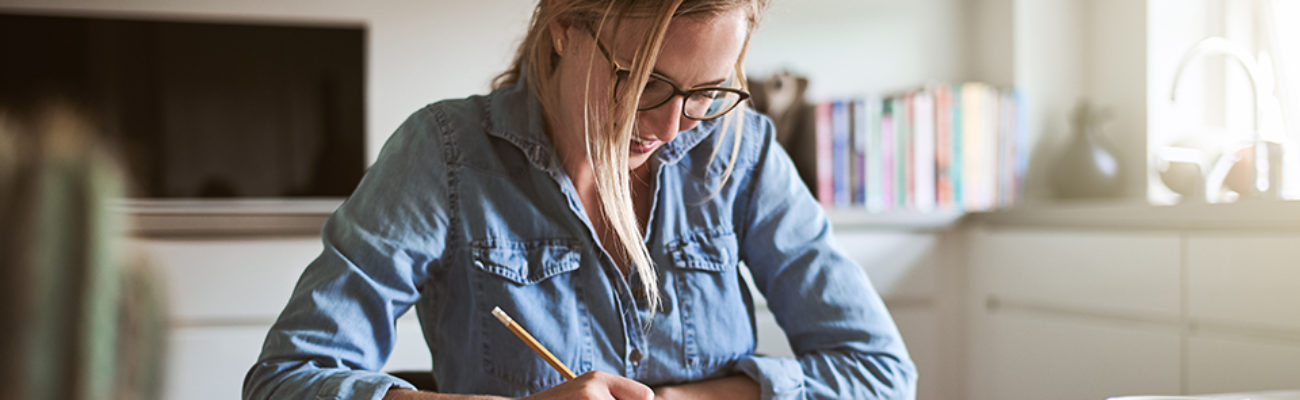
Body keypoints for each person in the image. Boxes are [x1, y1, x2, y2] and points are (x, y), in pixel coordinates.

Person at [243, 1, 917, 399]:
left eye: (707, 91)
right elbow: (287, 380)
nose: (669, 125)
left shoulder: (739, 152)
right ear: (565, 25)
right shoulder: (444, 155)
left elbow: (881, 374)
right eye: (642, 82)